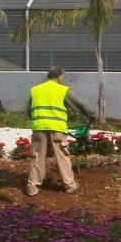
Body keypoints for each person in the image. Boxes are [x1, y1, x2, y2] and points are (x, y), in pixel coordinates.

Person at [25, 66, 96, 196]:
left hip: (39, 128)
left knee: (37, 157)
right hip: (57, 129)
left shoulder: (35, 90)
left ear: (48, 76)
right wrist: (92, 114)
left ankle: (32, 188)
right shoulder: (63, 90)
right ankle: (69, 186)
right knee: (62, 156)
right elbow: (81, 105)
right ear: (60, 76)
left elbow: (28, 111)